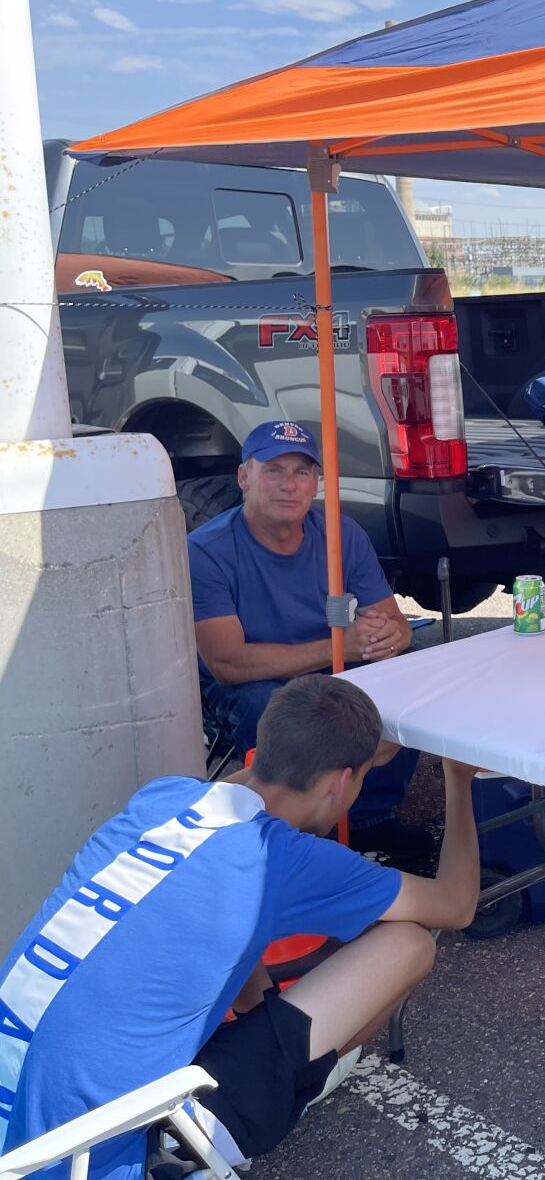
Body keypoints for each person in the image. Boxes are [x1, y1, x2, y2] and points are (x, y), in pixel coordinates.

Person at [0, 675, 480, 1180]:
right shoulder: (278, 858)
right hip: (91, 1152)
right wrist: (458, 779)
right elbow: (456, 904)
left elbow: (235, 791)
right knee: (408, 944)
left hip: (18, 1131)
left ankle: (257, 1054)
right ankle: (210, 1139)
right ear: (341, 783)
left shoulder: (163, 797)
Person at [190, 420, 421, 859]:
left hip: (327, 665)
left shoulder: (340, 531)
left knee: (407, 677)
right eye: (273, 470)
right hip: (247, 682)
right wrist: (348, 645)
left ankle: (371, 822)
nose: (288, 485)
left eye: (301, 472)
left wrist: (388, 637)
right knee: (268, 707)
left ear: (316, 482)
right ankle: (292, 832)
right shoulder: (207, 549)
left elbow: (395, 623)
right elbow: (228, 664)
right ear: (244, 477)